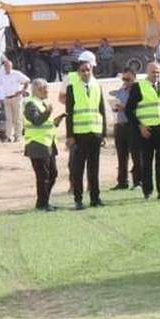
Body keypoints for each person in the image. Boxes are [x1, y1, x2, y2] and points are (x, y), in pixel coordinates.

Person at [127, 61, 160, 200]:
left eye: (158, 72)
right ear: (147, 72)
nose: (156, 74)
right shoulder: (139, 86)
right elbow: (130, 110)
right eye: (153, 72)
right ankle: (147, 191)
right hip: (147, 131)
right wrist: (139, 126)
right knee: (146, 162)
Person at [65, 56, 107, 209]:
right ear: (78, 72)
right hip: (79, 135)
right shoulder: (72, 88)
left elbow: (101, 110)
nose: (85, 73)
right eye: (82, 70)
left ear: (92, 70)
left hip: (94, 133)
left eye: (88, 70)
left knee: (94, 168)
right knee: (78, 169)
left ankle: (95, 198)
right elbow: (69, 114)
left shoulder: (97, 87)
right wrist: (69, 135)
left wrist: (103, 134)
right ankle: (78, 199)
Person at [23, 78, 61, 212]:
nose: (48, 92)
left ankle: (44, 201)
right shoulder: (30, 104)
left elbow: (46, 123)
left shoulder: (41, 102)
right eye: (46, 89)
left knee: (53, 174)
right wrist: (48, 112)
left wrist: (56, 120)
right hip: (36, 144)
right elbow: (36, 121)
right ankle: (42, 204)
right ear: (38, 90)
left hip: (47, 143)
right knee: (43, 176)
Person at [109, 69, 141, 191]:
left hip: (132, 125)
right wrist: (115, 107)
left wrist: (125, 107)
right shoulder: (121, 91)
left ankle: (138, 181)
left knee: (136, 155)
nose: (125, 82)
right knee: (121, 156)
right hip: (120, 125)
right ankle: (122, 182)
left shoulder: (137, 91)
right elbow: (117, 105)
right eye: (124, 79)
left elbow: (135, 107)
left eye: (128, 79)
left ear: (134, 78)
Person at [0, 59, 30, 143]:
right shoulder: (2, 76)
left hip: (16, 98)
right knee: (9, 119)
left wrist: (22, 91)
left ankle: (17, 136)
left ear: (11, 66)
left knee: (17, 118)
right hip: (7, 98)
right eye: (6, 66)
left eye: (8, 66)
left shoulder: (16, 74)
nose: (7, 68)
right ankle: (8, 136)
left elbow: (27, 81)